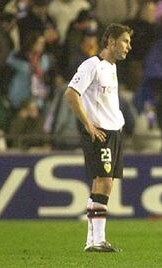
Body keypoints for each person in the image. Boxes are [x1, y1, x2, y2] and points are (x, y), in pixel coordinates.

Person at [65, 23, 132, 252]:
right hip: (100, 132)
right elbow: (71, 94)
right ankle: (96, 240)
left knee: (105, 184)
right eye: (125, 41)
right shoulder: (92, 65)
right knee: (102, 183)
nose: (128, 47)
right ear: (111, 41)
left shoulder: (111, 68)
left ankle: (94, 241)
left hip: (114, 132)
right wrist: (88, 125)